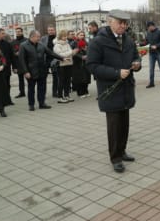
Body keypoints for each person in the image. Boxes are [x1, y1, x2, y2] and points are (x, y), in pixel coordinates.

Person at [87, 11, 141, 173]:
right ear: (110, 22)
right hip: (110, 90)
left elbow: (136, 57)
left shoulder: (128, 40)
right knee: (114, 126)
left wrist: (137, 63)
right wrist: (116, 73)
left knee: (124, 124)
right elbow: (92, 66)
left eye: (126, 23)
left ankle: (122, 151)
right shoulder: (98, 42)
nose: (123, 26)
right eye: (120, 22)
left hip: (126, 89)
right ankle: (115, 158)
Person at [18, 30, 65, 111]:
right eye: (38, 37)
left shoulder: (41, 45)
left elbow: (50, 53)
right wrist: (26, 71)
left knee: (42, 88)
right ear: (32, 37)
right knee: (31, 89)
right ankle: (31, 104)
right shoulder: (23, 45)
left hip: (42, 70)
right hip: (30, 71)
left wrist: (61, 58)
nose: (39, 38)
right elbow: (21, 60)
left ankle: (42, 103)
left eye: (39, 37)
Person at [53, 30, 79, 103]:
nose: (65, 37)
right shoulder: (57, 45)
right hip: (61, 65)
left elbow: (69, 53)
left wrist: (74, 52)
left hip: (69, 64)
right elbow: (60, 55)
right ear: (60, 37)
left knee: (68, 81)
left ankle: (67, 95)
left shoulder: (67, 44)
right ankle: (60, 97)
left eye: (65, 36)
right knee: (61, 81)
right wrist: (71, 52)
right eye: (63, 36)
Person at [0, 28, 14, 105]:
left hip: (7, 68)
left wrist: (15, 67)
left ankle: (8, 100)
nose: (4, 35)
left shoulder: (7, 44)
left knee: (7, 85)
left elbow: (11, 55)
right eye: (2, 33)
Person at [145, 21, 160, 88]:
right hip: (151, 54)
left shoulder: (159, 32)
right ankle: (151, 83)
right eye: (148, 27)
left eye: (149, 27)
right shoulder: (148, 33)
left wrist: (156, 46)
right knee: (151, 69)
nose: (148, 28)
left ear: (152, 26)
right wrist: (139, 44)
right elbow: (146, 42)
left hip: (159, 53)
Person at [40, 25, 58, 97]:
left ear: (54, 30)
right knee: (43, 77)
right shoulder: (43, 38)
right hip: (45, 59)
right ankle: (43, 93)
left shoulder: (57, 38)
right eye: (49, 30)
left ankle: (55, 92)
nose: (50, 31)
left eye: (52, 30)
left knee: (56, 77)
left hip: (55, 59)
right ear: (47, 31)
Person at [72, 31, 91, 98]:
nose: (82, 36)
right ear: (77, 36)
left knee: (86, 77)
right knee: (79, 78)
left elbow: (89, 50)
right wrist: (81, 57)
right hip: (77, 63)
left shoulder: (86, 42)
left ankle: (85, 90)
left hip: (86, 62)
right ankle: (80, 92)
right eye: (80, 35)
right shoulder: (74, 43)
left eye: (83, 35)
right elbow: (73, 53)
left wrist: (87, 53)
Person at [11, 27, 28, 98]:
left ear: (22, 32)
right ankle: (22, 92)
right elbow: (12, 54)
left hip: (26, 63)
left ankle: (31, 91)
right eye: (17, 32)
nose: (18, 33)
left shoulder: (27, 40)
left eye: (19, 31)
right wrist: (14, 67)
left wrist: (21, 53)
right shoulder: (13, 42)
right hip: (18, 63)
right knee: (20, 79)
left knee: (29, 79)